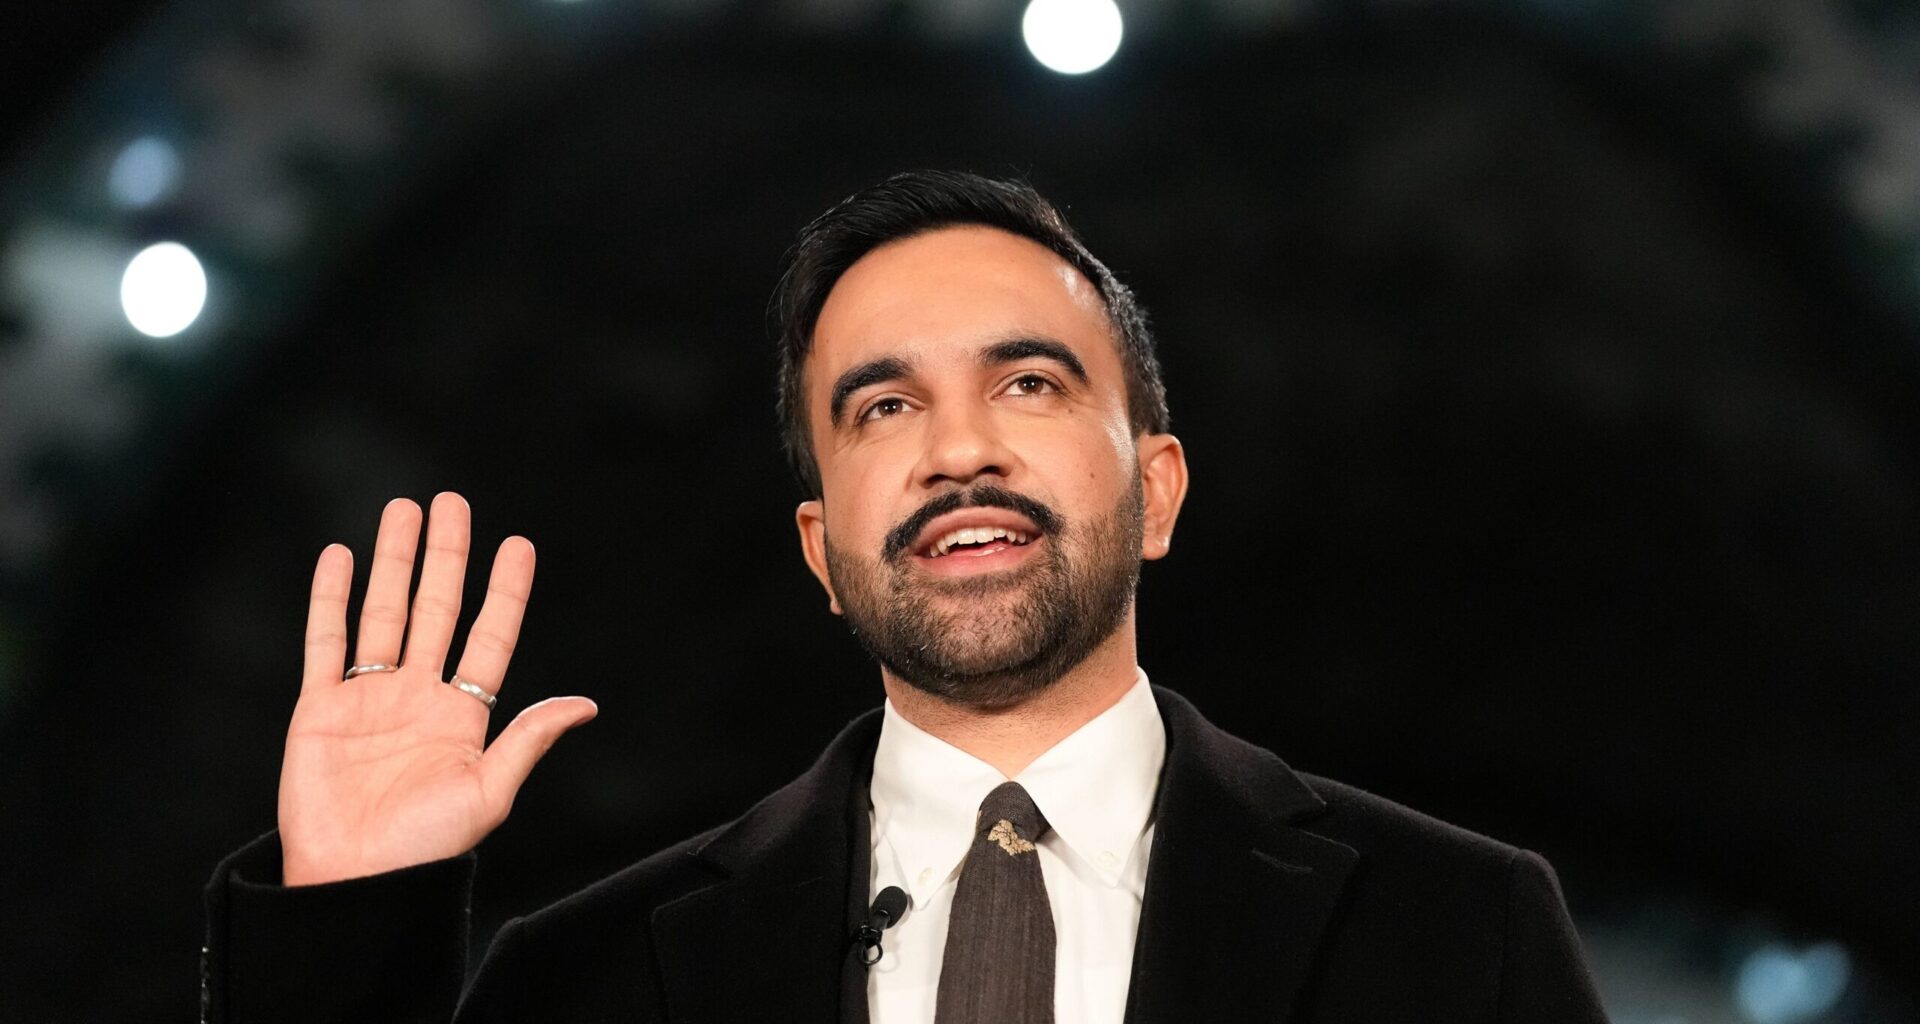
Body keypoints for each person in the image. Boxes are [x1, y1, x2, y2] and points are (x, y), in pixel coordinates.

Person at [201, 171, 1610, 1023]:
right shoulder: (589, 982)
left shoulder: (1457, 932)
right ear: (822, 549)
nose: (958, 448)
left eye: (1029, 383)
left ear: (1161, 489)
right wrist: (346, 923)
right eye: (882, 407)